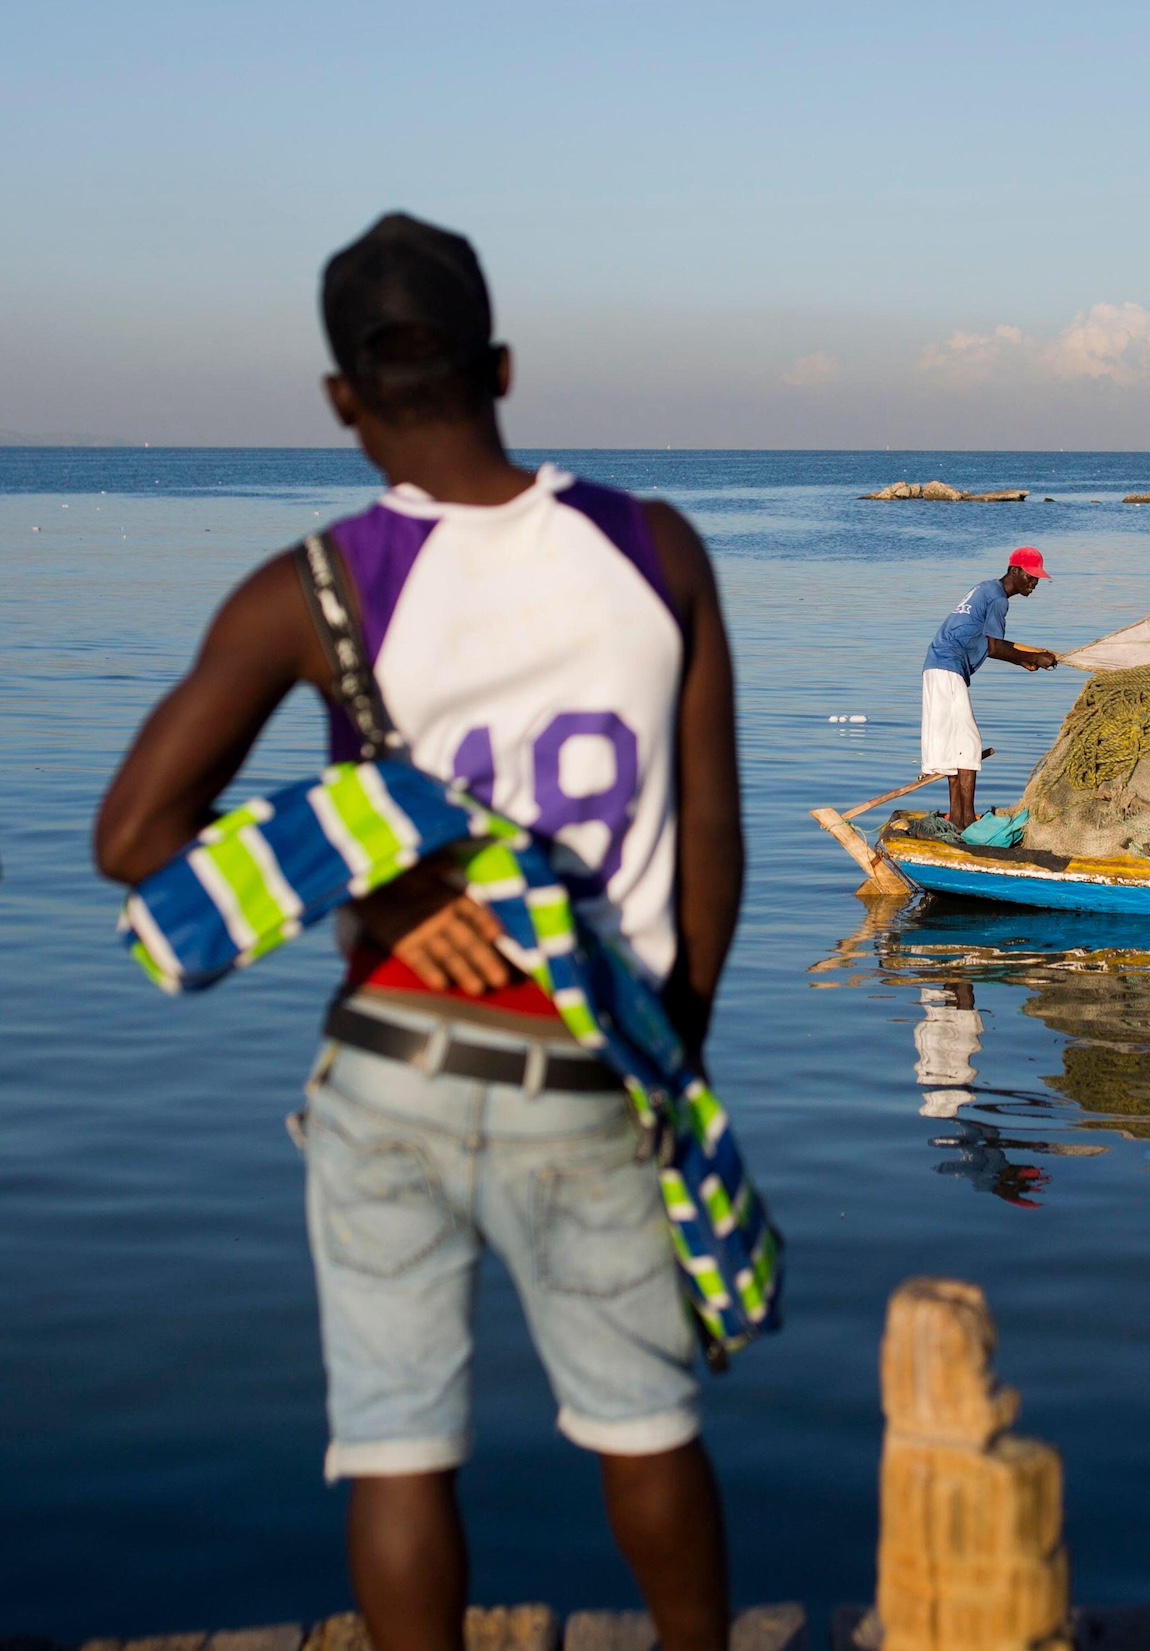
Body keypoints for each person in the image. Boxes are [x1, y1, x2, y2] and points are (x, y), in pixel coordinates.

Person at [91, 213, 740, 1651]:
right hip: (586, 1061)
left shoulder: (313, 590)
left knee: (395, 1447)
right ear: (500, 362)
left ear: (340, 394)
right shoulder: (654, 547)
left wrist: (380, 887)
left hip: (389, 1060)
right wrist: (664, 1050)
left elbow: (131, 838)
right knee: (645, 1428)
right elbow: (714, 849)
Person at [924, 548, 1057, 828]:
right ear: (1014, 571)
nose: (1034, 583)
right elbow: (995, 647)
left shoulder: (985, 588)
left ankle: (958, 819)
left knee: (956, 745)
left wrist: (1024, 659)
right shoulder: (998, 600)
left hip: (936, 666)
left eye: (1038, 579)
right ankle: (967, 821)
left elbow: (986, 643)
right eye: (1031, 577)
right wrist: (1034, 658)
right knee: (968, 745)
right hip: (948, 668)